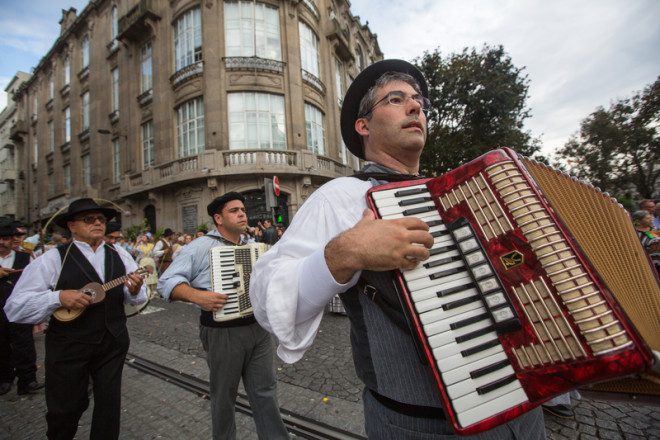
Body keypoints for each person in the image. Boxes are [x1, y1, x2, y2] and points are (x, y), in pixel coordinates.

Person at [250, 60, 546, 439]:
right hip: (421, 425)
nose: (415, 107)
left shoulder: (455, 195)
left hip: (526, 408)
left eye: (418, 101)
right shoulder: (342, 197)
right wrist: (343, 254)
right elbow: (265, 294)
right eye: (396, 99)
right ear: (364, 126)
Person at [4, 198, 147, 440]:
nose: (98, 223)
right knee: (65, 409)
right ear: (72, 226)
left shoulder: (119, 254)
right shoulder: (52, 259)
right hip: (69, 346)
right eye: (89, 219)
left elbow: (137, 297)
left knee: (108, 407)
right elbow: (15, 308)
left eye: (101, 219)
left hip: (112, 342)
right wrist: (58, 297)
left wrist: (134, 289)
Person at [158, 192, 288, 440]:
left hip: (258, 330)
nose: (242, 214)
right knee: (224, 396)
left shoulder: (252, 245)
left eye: (243, 210)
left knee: (265, 391)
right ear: (218, 218)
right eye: (234, 210)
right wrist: (197, 296)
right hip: (222, 332)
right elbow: (166, 282)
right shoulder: (200, 246)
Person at [0, 221, 44, 396]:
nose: (3, 242)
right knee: (1, 344)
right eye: (1, 239)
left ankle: (28, 380)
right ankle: (5, 378)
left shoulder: (24, 257)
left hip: (20, 309)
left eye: (7, 239)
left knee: (24, 344)